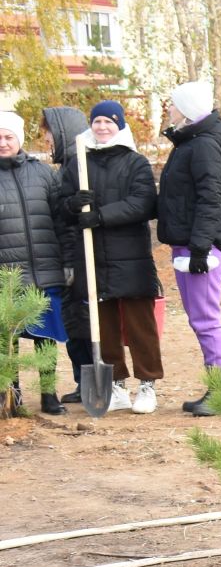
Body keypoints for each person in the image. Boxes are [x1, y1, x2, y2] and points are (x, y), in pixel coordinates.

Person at [56, 101, 160, 415]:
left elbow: (143, 204)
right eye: (97, 121)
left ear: (120, 125)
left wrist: (100, 215)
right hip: (93, 259)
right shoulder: (78, 163)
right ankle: (116, 385)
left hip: (131, 258)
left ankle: (147, 384)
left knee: (140, 325)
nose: (102, 127)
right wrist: (74, 204)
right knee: (104, 327)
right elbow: (60, 205)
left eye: (108, 121)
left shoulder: (135, 162)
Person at [156, 80, 221, 417]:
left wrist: (201, 251)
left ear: (188, 111)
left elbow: (211, 200)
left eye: (174, 105)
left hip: (199, 249)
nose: (170, 110)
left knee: (206, 319)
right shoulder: (189, 144)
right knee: (199, 319)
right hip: (189, 246)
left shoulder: (202, 146)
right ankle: (217, 386)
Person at [0, 110, 70, 415]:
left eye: (8, 136)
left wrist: (67, 262)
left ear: (20, 139)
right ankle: (10, 395)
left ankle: (49, 393)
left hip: (44, 271)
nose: (2, 142)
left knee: (47, 337)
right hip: (6, 276)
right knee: (8, 339)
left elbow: (62, 222)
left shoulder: (42, 173)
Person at [39, 106, 95, 401]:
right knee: (74, 320)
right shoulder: (65, 166)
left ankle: (91, 381)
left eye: (48, 132)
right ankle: (82, 382)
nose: (45, 139)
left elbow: (73, 224)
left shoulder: (80, 166)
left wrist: (71, 261)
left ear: (62, 132)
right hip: (68, 255)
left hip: (78, 256)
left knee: (82, 320)